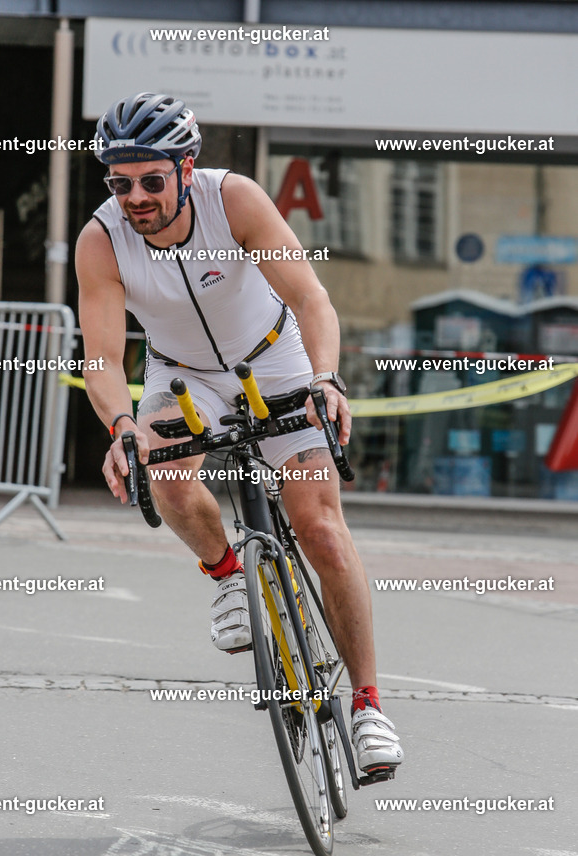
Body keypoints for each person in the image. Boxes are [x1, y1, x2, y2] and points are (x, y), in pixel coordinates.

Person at [75, 93, 403, 775]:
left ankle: (369, 706)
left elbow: (311, 298)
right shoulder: (100, 239)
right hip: (182, 374)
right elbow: (102, 360)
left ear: (185, 168)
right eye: (119, 182)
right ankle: (227, 574)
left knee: (317, 526)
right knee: (163, 470)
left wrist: (325, 379)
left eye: (150, 180)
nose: (134, 196)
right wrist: (122, 426)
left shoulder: (237, 201)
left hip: (275, 360)